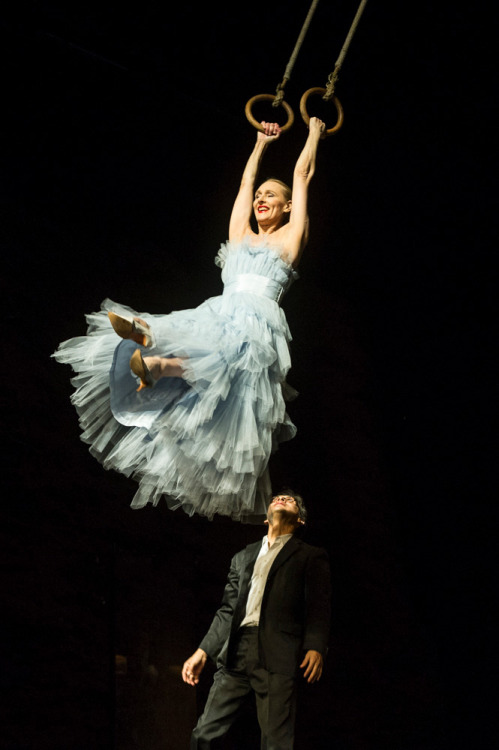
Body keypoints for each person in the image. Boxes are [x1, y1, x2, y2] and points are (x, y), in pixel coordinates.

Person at [53, 118, 326, 521]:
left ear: (287, 207)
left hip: (256, 320)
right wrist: (259, 145)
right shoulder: (240, 235)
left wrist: (315, 133)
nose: (261, 199)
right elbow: (243, 187)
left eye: (272, 195)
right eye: (261, 196)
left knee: (220, 367)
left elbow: (302, 175)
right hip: (221, 310)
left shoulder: (290, 238)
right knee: (199, 343)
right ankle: (152, 349)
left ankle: (158, 364)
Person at [182, 490, 331, 748]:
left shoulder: (309, 556)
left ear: (300, 521)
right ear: (266, 518)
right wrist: (203, 651)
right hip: (237, 650)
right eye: (277, 498)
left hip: (277, 652)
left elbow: (319, 604)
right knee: (204, 734)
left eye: (292, 500)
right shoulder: (243, 557)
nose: (282, 499)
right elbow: (227, 610)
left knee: (275, 742)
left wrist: (315, 645)